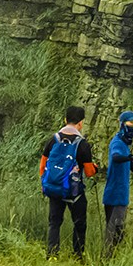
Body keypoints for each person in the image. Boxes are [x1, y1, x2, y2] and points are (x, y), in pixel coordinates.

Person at [36, 106, 98, 258]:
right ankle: (77, 255)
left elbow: (43, 165)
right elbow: (89, 173)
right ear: (81, 123)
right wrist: (95, 168)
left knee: (54, 222)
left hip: (55, 188)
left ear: (65, 120)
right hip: (73, 191)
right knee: (79, 223)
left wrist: (48, 182)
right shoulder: (82, 144)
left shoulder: (54, 139)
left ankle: (52, 255)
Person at [101, 110, 133, 257]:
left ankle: (115, 261)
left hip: (122, 196)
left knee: (119, 232)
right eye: (131, 122)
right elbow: (116, 157)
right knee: (114, 231)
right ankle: (106, 261)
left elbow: (131, 167)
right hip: (114, 195)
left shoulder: (124, 144)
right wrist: (132, 157)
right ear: (123, 124)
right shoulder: (117, 142)